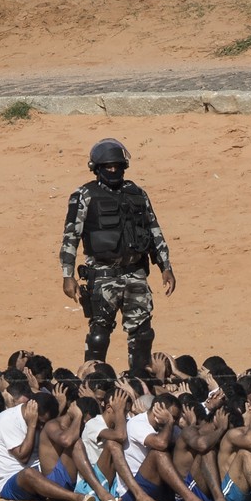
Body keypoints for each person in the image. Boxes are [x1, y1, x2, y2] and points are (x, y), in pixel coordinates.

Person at [59, 138, 176, 374]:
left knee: (142, 333)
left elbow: (154, 231)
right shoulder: (84, 195)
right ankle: (93, 382)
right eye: (108, 167)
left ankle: (140, 380)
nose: (113, 171)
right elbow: (71, 235)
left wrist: (165, 266)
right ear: (97, 169)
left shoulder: (137, 193)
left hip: (135, 274)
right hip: (102, 275)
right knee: (99, 334)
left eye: (117, 166)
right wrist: (67, 275)